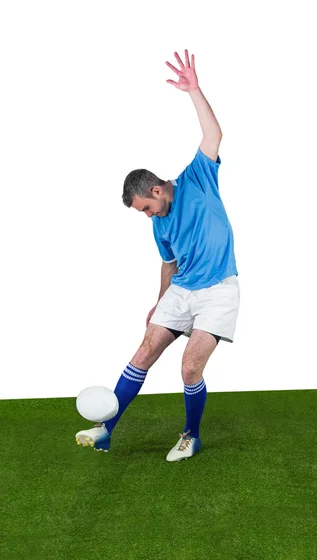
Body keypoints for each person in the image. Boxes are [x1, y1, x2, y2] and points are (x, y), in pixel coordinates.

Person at [75, 49, 240, 462]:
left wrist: (195, 91)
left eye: (146, 208)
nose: (146, 216)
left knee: (188, 369)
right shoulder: (158, 224)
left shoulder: (197, 179)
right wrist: (160, 301)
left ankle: (191, 434)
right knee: (144, 352)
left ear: (157, 190)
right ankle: (105, 430)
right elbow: (168, 263)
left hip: (218, 290)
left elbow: (213, 135)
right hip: (182, 290)